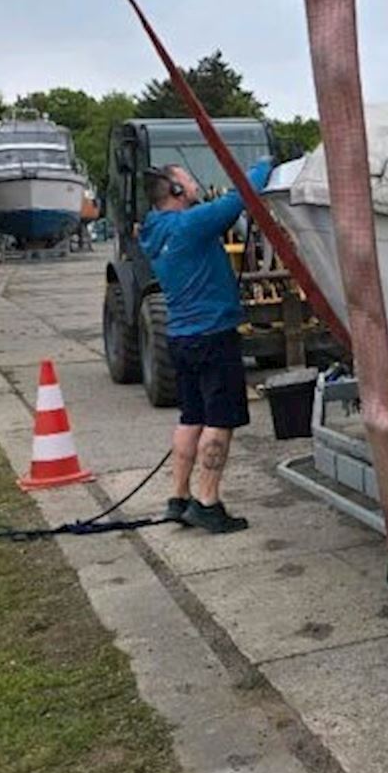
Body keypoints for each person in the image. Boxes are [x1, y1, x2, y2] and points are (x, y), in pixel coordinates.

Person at [139, 158, 274, 534]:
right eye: (187, 178)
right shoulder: (189, 225)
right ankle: (208, 503)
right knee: (220, 422)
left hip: (182, 337)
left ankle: (179, 499)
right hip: (213, 335)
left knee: (191, 418)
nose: (195, 182)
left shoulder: (154, 230)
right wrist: (264, 165)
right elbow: (239, 199)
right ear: (176, 191)